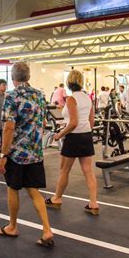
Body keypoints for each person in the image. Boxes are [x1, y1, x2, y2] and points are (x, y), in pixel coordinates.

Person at [0, 62, 54, 248]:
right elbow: (43, 122)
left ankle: (12, 226)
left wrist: (3, 154)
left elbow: (9, 127)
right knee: (34, 190)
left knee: (13, 188)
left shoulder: (11, 96)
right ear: (28, 77)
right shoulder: (39, 95)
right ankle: (47, 230)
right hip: (35, 152)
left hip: (17, 153)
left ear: (13, 79)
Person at [45, 70, 99, 215]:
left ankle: (56, 199)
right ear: (81, 82)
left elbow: (74, 123)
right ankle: (93, 204)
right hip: (86, 135)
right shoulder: (88, 98)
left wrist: (60, 134)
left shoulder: (71, 99)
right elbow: (91, 122)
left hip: (73, 137)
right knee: (88, 172)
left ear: (69, 83)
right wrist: (83, 129)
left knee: (64, 170)